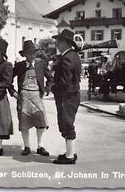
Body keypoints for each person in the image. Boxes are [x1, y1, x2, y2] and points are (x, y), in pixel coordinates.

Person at [12, 40, 53, 156]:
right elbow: (8, 78)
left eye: (33, 53)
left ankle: (40, 146)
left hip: (37, 96)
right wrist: (12, 92)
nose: (31, 55)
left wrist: (46, 90)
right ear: (24, 54)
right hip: (24, 97)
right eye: (29, 53)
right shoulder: (19, 66)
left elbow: (50, 78)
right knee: (24, 122)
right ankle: (27, 147)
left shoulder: (41, 65)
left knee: (40, 122)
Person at [51, 29, 81, 164]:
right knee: (67, 123)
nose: (57, 43)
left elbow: (64, 82)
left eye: (59, 41)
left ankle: (69, 157)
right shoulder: (73, 55)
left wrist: (53, 88)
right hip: (71, 95)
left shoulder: (67, 58)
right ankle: (70, 152)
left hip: (66, 96)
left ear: (65, 43)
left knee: (66, 124)